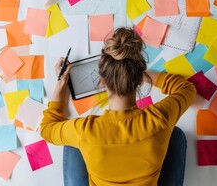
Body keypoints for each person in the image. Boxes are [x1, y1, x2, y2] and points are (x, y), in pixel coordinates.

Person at [40, 27, 197, 186]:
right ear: (137, 78)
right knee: (175, 134)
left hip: (90, 140)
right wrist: (139, 75)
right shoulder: (160, 119)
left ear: (102, 80)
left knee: (73, 145)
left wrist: (61, 84)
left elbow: (46, 129)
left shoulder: (84, 131)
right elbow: (186, 89)